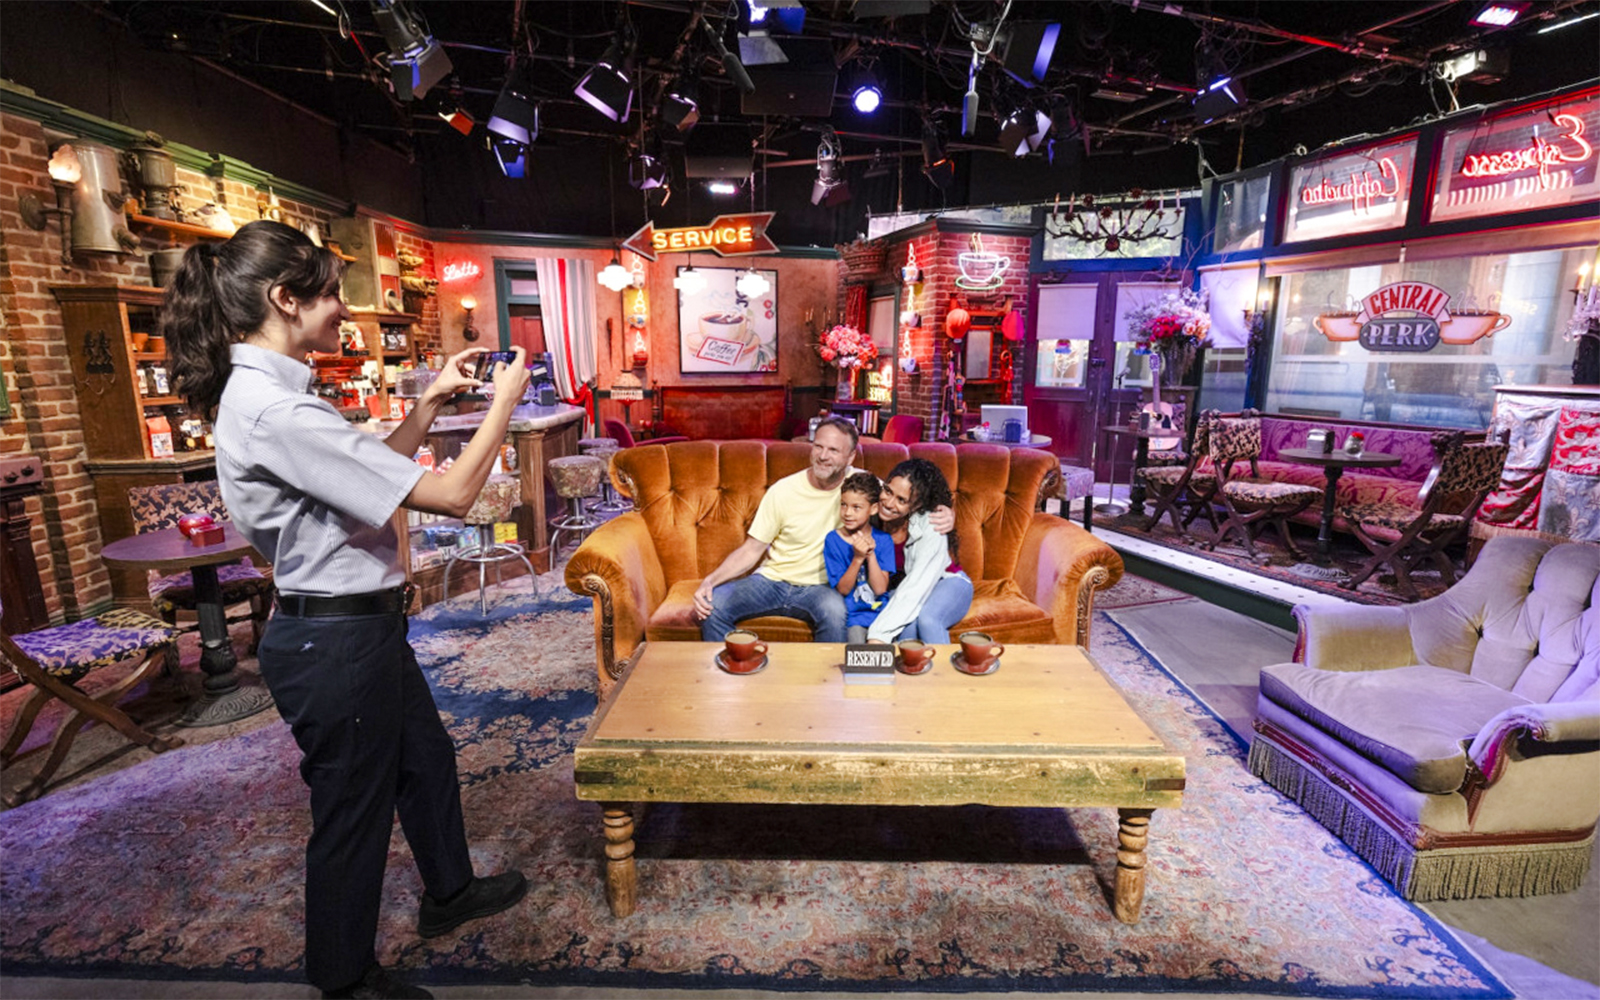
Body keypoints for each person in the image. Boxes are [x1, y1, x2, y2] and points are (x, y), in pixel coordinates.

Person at [162, 220, 529, 1000]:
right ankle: (345, 978)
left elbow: (369, 478)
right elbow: (453, 496)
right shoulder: (276, 411)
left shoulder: (277, 399)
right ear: (283, 299)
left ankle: (450, 893)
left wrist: (427, 405)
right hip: (335, 642)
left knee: (424, 761)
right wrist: (503, 403)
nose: (343, 309)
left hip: (357, 628)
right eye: (330, 293)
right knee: (353, 811)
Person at [693, 416, 860, 642]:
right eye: (818, 446)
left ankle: (824, 668)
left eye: (833, 450)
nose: (822, 456)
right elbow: (752, 549)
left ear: (851, 456)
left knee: (835, 613)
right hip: (772, 581)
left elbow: (898, 501)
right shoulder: (784, 490)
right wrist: (710, 581)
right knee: (712, 606)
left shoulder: (861, 487)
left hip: (821, 588)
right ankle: (736, 663)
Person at [867, 458, 974, 644]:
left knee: (928, 620)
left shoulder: (931, 526)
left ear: (917, 505)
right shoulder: (871, 507)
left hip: (947, 582)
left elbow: (917, 586)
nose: (889, 503)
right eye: (888, 491)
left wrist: (877, 636)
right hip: (908, 586)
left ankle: (944, 665)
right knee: (907, 629)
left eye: (902, 500)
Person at [824, 471, 896, 643]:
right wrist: (857, 559)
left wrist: (870, 555)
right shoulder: (833, 540)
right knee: (857, 653)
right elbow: (842, 589)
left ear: (873, 509)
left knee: (888, 655)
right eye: (843, 505)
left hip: (882, 616)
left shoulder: (884, 540)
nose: (847, 513)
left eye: (856, 507)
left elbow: (880, 589)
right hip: (853, 618)